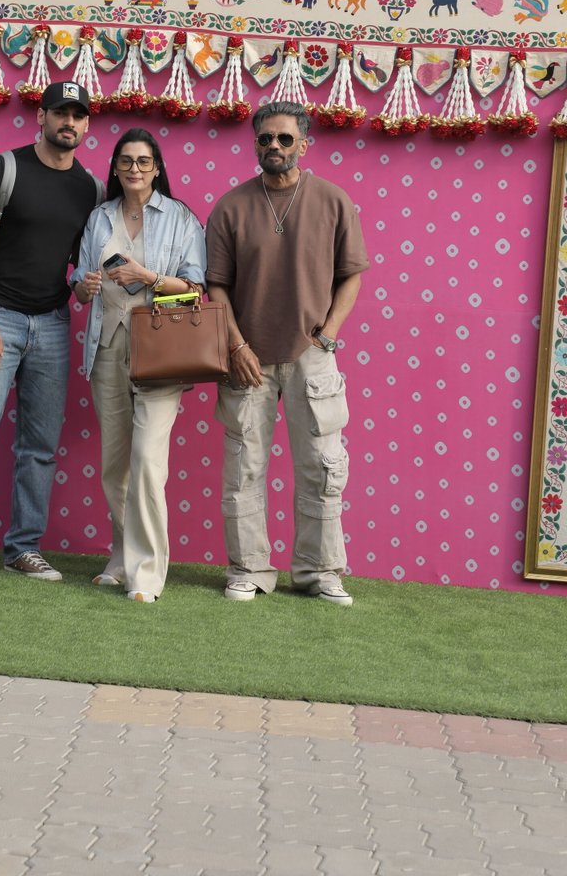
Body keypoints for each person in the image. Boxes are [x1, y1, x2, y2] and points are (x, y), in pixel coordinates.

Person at [205, 100, 369, 606]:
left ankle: (320, 572)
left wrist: (328, 334)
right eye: (264, 139)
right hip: (245, 356)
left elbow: (352, 274)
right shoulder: (230, 207)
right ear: (254, 144)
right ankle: (248, 568)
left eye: (283, 139)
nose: (273, 146)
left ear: (303, 143)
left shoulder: (332, 200)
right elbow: (217, 288)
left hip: (312, 355)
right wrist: (235, 344)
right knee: (244, 466)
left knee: (322, 464)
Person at [0, 81, 99, 585]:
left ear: (87, 125)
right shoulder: (1, 169)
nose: (68, 123)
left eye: (77, 115)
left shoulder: (90, 189)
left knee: (40, 448)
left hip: (53, 325)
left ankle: (22, 548)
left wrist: (83, 286)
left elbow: (75, 264)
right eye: (59, 113)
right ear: (41, 116)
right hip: (0, 317)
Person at [72, 128, 206, 603]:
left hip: (159, 352)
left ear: (156, 167)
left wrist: (147, 276)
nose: (134, 169)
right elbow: (80, 279)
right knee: (115, 465)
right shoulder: (99, 217)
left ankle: (146, 574)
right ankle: (121, 557)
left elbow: (195, 290)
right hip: (106, 346)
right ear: (114, 167)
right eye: (126, 161)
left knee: (147, 460)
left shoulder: (181, 218)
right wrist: (82, 287)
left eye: (143, 162)